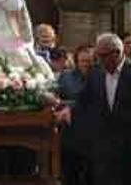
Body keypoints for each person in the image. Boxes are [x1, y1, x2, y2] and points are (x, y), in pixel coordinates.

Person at [62, 33, 131, 185]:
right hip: (103, 147)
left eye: (101, 56)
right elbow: (84, 100)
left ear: (116, 53)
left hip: (130, 147)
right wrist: (68, 110)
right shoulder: (95, 73)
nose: (98, 61)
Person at [57, 45, 94, 185]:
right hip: (70, 132)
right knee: (70, 172)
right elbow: (57, 100)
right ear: (77, 61)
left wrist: (69, 105)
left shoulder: (100, 76)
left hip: (91, 132)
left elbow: (96, 100)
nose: (86, 65)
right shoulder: (66, 76)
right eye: (83, 61)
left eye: (89, 61)